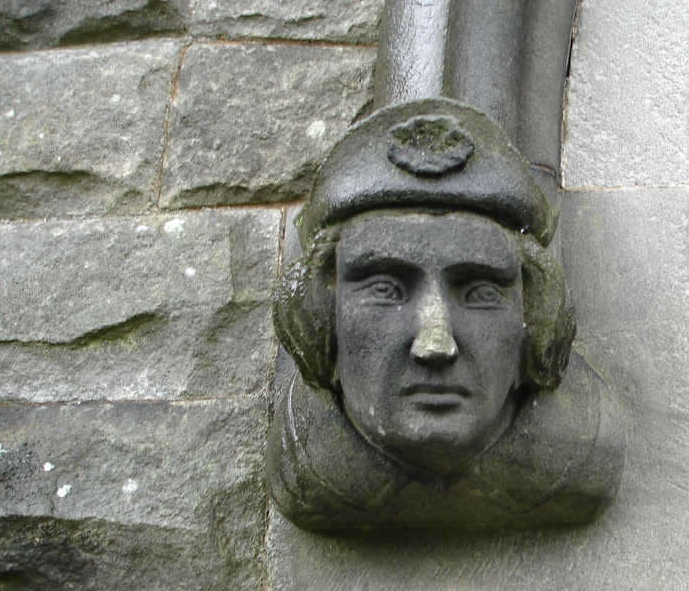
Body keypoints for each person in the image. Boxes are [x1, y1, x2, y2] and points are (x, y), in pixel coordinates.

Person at [267, 98, 623, 530]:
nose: (435, 345)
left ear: (536, 326)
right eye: (384, 290)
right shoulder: (306, 462)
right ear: (321, 324)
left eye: (481, 292)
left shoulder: (578, 456)